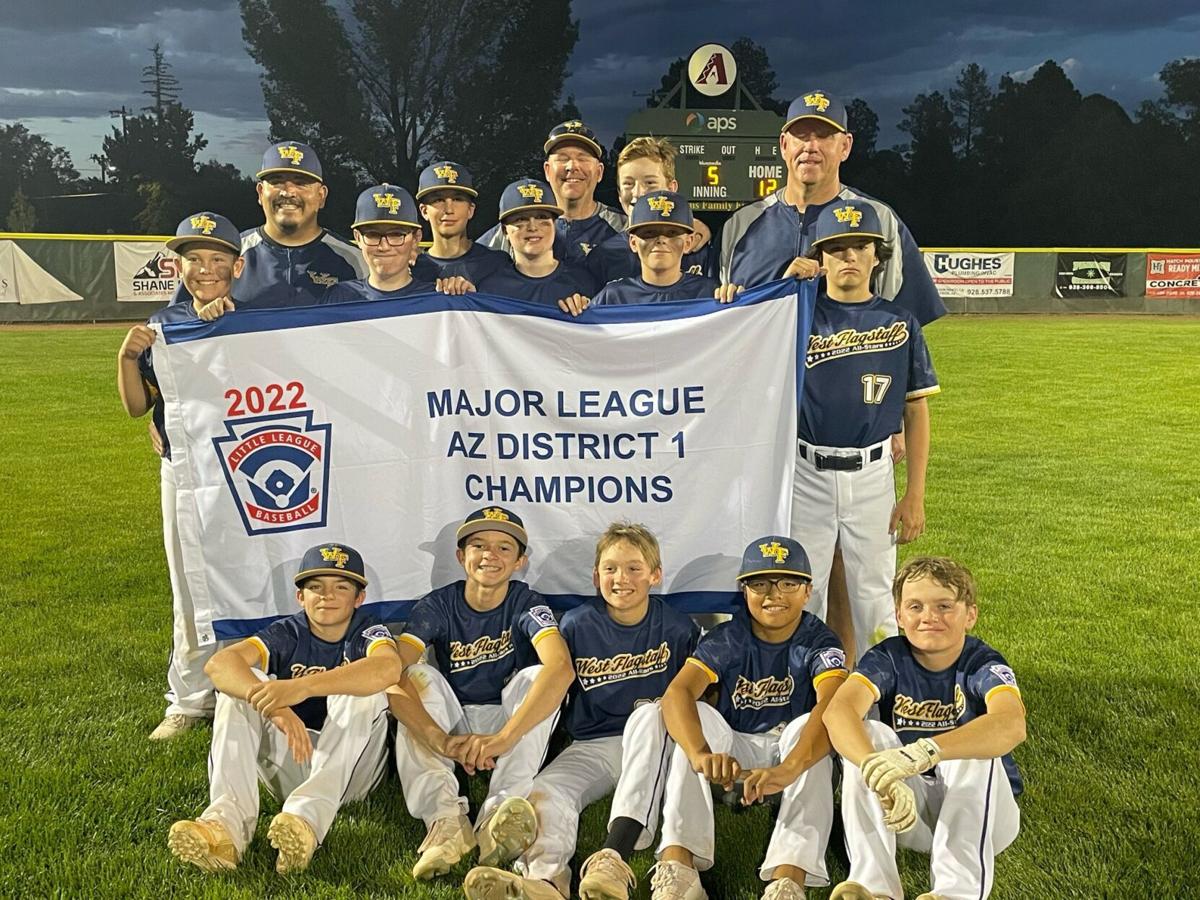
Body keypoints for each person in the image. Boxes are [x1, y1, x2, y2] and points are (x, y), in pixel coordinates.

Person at [462, 522, 699, 900]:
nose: (621, 578)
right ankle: (546, 880)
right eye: (610, 568)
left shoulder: (677, 628)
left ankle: (614, 861)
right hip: (594, 742)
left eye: (634, 568)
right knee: (546, 792)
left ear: (655, 575)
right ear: (595, 576)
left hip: (658, 743)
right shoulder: (576, 625)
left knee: (651, 715)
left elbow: (694, 699)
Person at [166, 542, 401, 874]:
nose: (327, 596)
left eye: (341, 587)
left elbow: (388, 669)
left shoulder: (367, 629)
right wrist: (274, 706)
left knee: (363, 689)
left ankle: (305, 822)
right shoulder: (289, 631)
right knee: (241, 690)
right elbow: (220, 664)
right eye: (315, 587)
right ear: (300, 597)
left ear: (358, 598)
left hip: (351, 774)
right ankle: (224, 829)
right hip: (294, 756)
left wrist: (299, 686)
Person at [653, 537, 847, 900]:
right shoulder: (729, 636)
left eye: (788, 583)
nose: (774, 594)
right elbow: (677, 693)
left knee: (812, 729)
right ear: (744, 591)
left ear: (807, 592)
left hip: (793, 757)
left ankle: (789, 879)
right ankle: (680, 867)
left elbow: (832, 703)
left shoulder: (820, 640)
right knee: (697, 720)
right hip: (734, 753)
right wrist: (699, 753)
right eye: (760, 583)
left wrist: (788, 768)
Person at [388, 506, 574, 882]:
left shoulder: (527, 602)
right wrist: (439, 738)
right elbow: (390, 671)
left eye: (504, 548)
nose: (490, 555)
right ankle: (445, 822)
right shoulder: (438, 604)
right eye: (479, 545)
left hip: (507, 717)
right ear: (461, 556)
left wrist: (503, 738)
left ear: (520, 561)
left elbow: (561, 668)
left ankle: (498, 817)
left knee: (538, 676)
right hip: (455, 716)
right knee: (415, 674)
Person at [824, 557, 1026, 900]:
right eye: (915, 606)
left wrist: (924, 751)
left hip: (983, 819)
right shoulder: (888, 657)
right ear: (900, 617)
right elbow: (838, 712)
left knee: (973, 745)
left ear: (970, 615)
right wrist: (879, 771)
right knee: (870, 734)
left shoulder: (982, 662)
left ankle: (955, 892)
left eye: (944, 606)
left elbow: (1011, 723)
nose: (929, 617)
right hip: (904, 811)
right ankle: (874, 887)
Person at [117, 212, 246, 740]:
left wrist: (230, 319)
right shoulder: (162, 325)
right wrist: (125, 358)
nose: (206, 269)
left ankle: (247, 683)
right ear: (178, 264)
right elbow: (136, 407)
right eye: (195, 258)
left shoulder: (252, 316)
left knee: (247, 577)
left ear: (238, 267)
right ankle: (191, 698)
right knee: (188, 582)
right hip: (185, 469)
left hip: (244, 468)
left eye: (218, 259)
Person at [792, 200, 939, 661]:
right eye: (836, 248)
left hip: (873, 474)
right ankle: (804, 702)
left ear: (878, 255)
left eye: (860, 246)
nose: (848, 256)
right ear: (821, 257)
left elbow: (916, 412)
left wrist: (914, 494)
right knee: (802, 594)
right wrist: (782, 284)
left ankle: (877, 705)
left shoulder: (900, 322)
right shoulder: (796, 315)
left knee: (875, 599)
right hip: (804, 473)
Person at [719, 92, 945, 326]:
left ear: (845, 146)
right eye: (801, 136)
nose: (811, 146)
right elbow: (710, 317)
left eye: (825, 136)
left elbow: (903, 325)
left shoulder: (878, 218)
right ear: (784, 145)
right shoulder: (740, 225)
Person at [170, 141, 365, 312]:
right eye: (277, 182)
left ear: (321, 196)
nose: (288, 192)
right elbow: (178, 325)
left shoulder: (354, 261)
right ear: (260, 192)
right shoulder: (231, 253)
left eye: (301, 182)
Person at [478, 120, 626, 260]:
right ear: (547, 170)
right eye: (562, 158)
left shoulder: (622, 227)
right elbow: (470, 263)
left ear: (599, 172)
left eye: (583, 158)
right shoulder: (517, 227)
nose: (572, 166)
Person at [586, 137, 714, 288]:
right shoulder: (602, 257)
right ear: (619, 194)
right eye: (628, 184)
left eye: (650, 183)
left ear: (671, 189)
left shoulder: (697, 249)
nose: (638, 193)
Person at [475, 179, 597, 312]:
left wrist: (588, 311)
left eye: (541, 217)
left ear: (554, 225)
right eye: (521, 219)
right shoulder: (490, 289)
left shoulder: (584, 283)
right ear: (505, 231)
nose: (533, 227)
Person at [592, 190, 718, 305]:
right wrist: (575, 308)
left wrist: (735, 300)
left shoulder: (710, 294)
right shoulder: (614, 297)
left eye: (672, 233)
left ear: (688, 242)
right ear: (633, 242)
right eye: (649, 233)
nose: (661, 240)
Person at [320, 184, 437, 303]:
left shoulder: (437, 300)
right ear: (358, 238)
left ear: (416, 238)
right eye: (373, 235)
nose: (384, 247)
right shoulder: (339, 297)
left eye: (396, 235)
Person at [416, 160, 510, 283]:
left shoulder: (498, 264)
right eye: (438, 200)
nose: (449, 209)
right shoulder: (413, 270)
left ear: (470, 210)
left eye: (457, 199)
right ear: (424, 211)